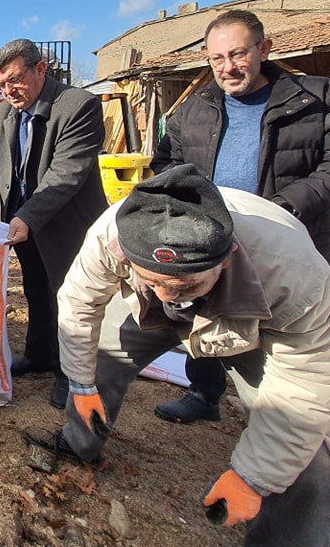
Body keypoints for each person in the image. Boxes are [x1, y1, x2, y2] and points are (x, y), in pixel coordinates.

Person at [47, 165, 330, 546]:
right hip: (144, 313)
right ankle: (80, 444)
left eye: (186, 283)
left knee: (306, 451)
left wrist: (254, 477)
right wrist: (80, 383)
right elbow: (79, 304)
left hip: (252, 320)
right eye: (155, 281)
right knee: (98, 362)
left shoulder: (295, 276)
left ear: (226, 258)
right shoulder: (113, 233)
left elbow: (304, 389)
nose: (169, 296)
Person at [150, 9, 330, 424]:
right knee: (204, 317)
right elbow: (166, 162)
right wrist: (186, 207)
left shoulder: (314, 101)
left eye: (238, 54)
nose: (227, 67)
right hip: (211, 238)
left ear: (263, 49)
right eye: (217, 59)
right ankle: (205, 392)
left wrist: (282, 210)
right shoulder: (193, 109)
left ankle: (280, 420)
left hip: (285, 239)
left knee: (279, 334)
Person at [0, 38, 107, 408]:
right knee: (37, 292)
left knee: (71, 302)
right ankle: (40, 355)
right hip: (23, 224)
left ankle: (72, 375)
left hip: (67, 226)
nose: (8, 91)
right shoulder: (6, 114)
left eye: (15, 80)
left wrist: (27, 216)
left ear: (41, 69)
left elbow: (65, 174)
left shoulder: (78, 106)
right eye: (0, 85)